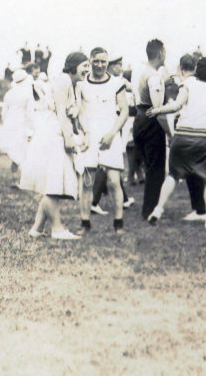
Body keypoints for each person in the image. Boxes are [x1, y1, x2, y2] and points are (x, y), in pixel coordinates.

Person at [145, 57, 206, 229]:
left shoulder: (188, 84)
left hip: (182, 136)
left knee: (173, 175)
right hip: (204, 138)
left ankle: (158, 209)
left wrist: (157, 110)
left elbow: (176, 106)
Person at [19, 52, 90, 240]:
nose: (87, 69)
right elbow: (60, 112)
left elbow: (71, 112)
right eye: (85, 65)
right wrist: (68, 138)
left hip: (58, 132)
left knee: (55, 182)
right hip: (53, 135)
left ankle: (37, 228)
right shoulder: (63, 81)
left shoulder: (73, 83)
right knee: (53, 184)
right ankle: (57, 229)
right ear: (73, 65)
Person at [73, 47, 129, 234]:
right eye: (95, 61)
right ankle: (85, 223)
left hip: (110, 135)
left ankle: (118, 223)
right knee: (87, 181)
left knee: (114, 180)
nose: (99, 65)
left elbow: (124, 110)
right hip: (89, 136)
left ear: (107, 62)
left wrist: (113, 133)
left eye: (103, 61)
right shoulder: (81, 84)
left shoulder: (116, 83)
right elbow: (79, 112)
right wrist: (87, 132)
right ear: (90, 61)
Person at [132, 39, 168, 220]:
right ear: (161, 54)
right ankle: (150, 210)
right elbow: (157, 107)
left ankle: (150, 207)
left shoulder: (143, 71)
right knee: (156, 168)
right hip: (149, 120)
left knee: (150, 166)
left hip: (139, 117)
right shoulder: (154, 76)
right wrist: (169, 131)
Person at [0, 69, 34, 187]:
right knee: (24, 152)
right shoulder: (28, 94)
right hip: (22, 125)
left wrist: (6, 125)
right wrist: (31, 128)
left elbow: (4, 113)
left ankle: (15, 180)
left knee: (15, 154)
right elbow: (29, 114)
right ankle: (23, 181)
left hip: (10, 125)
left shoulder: (9, 93)